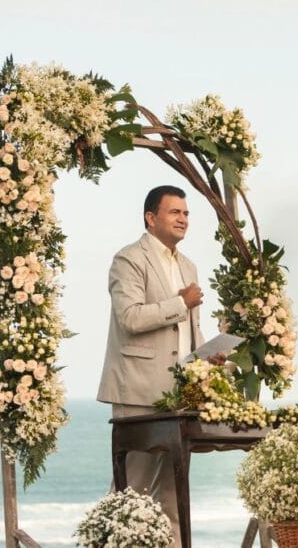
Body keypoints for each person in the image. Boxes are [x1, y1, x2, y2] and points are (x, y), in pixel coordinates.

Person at [97, 185, 205, 544]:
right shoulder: (128, 259)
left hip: (179, 399)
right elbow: (130, 317)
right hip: (139, 389)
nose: (183, 220)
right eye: (175, 212)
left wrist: (209, 356)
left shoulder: (188, 265)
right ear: (151, 217)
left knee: (174, 497)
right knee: (131, 493)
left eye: (186, 213)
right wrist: (180, 302)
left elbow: (188, 333)